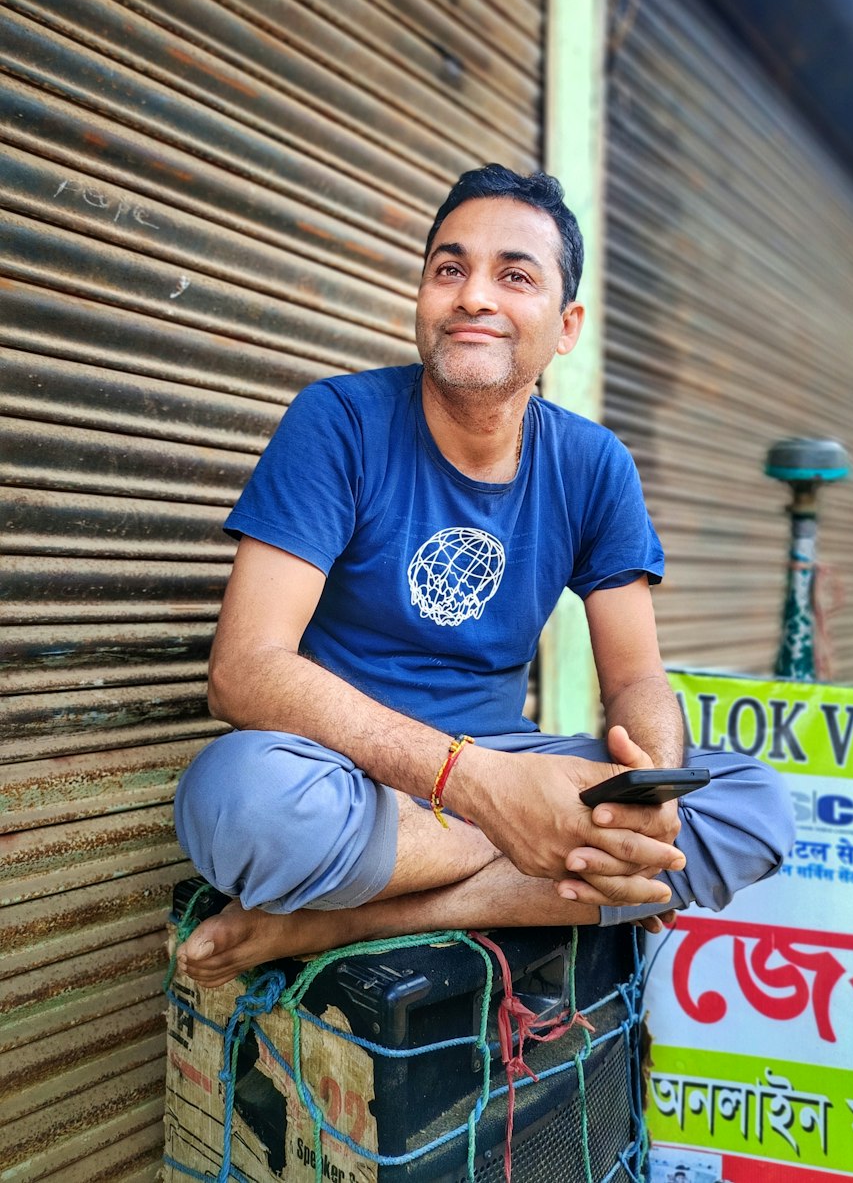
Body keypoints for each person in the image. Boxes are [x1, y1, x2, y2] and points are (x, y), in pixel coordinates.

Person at [173, 164, 793, 988]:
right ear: (424, 296)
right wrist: (488, 791)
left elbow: (638, 673)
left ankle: (343, 918)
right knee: (241, 806)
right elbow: (243, 670)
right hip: (342, 768)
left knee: (753, 808)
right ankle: (528, 857)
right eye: (449, 268)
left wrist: (650, 802)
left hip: (484, 772)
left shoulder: (592, 462)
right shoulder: (339, 421)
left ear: (566, 325)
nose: (472, 295)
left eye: (514, 275)